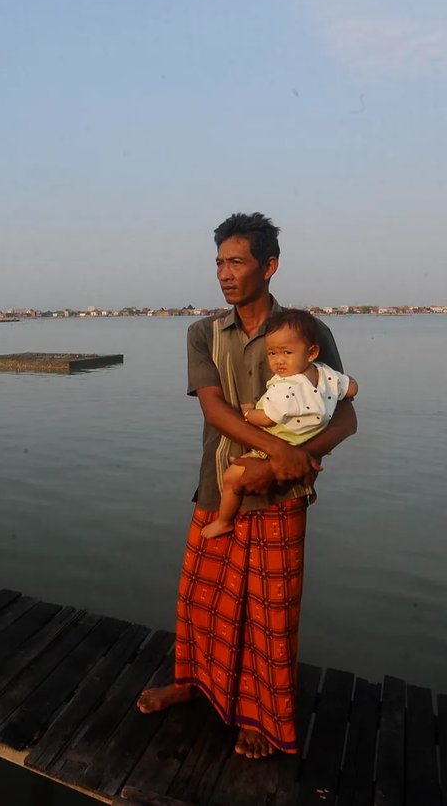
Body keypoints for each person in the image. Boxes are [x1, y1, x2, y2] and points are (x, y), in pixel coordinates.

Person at [137, 212, 357, 759]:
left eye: (236, 261)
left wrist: (290, 459)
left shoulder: (307, 332)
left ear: (269, 266)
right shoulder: (204, 333)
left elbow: (346, 417)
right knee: (200, 599)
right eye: (219, 263)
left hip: (282, 497)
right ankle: (191, 684)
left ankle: (259, 716)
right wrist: (278, 450)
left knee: (270, 615)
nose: (224, 274)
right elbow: (214, 408)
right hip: (220, 488)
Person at [201, 308, 358, 539]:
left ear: (312, 352)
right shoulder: (327, 375)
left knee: (231, 477)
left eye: (286, 352)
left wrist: (248, 413)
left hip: (277, 444)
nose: (278, 360)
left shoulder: (285, 387)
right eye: (272, 353)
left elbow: (266, 418)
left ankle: (224, 521)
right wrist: (349, 385)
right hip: (304, 443)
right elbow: (351, 389)